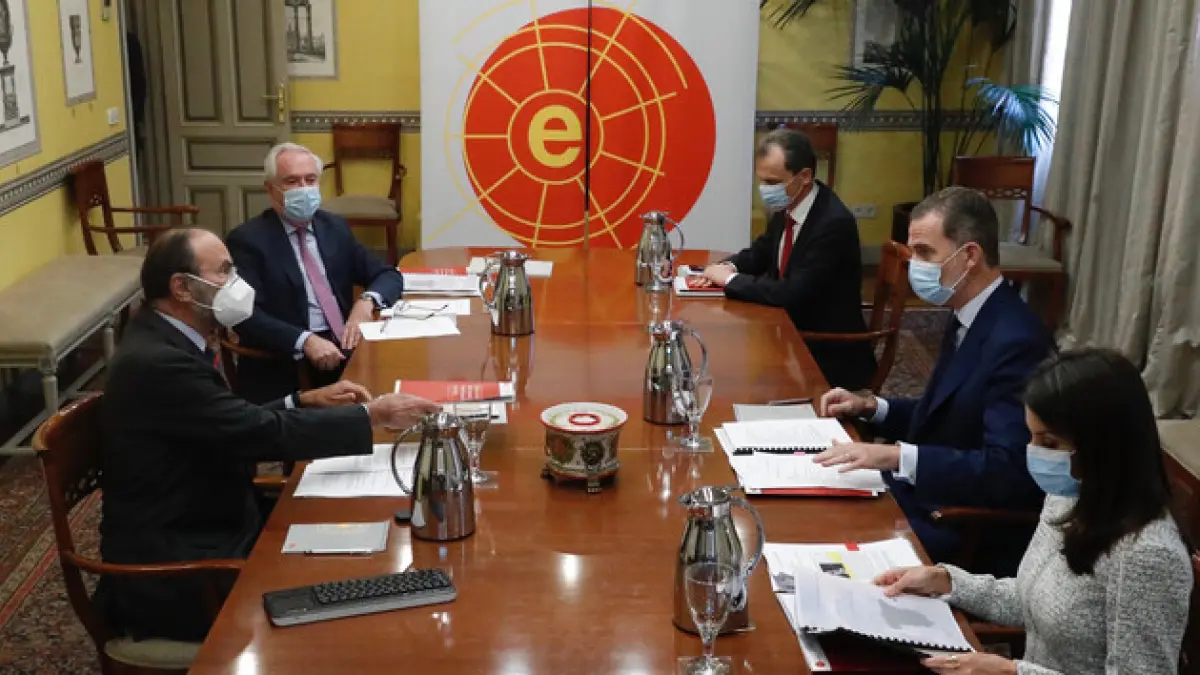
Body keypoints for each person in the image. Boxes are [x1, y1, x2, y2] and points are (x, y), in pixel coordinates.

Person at [97, 228, 439, 642]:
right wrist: (372, 415)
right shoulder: (157, 362)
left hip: (219, 516)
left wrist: (301, 400)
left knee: (368, 531)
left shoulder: (168, 337)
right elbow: (253, 434)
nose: (237, 283)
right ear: (182, 288)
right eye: (224, 271)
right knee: (362, 598)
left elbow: (226, 423)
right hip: (184, 568)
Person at [873, 349, 1192, 675]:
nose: (1033, 453)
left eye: (1049, 444)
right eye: (1031, 437)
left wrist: (1012, 673)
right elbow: (1035, 600)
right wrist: (949, 582)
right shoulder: (1068, 495)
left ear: (1101, 446)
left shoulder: (1148, 555)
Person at [816, 187, 1053, 575]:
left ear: (970, 255)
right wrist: (873, 407)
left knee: (822, 535)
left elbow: (1008, 471)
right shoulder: (966, 314)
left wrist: (898, 456)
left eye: (926, 253)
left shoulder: (1017, 341)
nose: (915, 266)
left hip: (958, 523)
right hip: (929, 493)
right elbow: (950, 414)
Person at [226, 142, 405, 403]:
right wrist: (305, 341)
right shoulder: (248, 240)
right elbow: (245, 315)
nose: (303, 189)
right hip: (287, 361)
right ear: (270, 189)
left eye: (310, 180)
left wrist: (366, 303)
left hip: (345, 346)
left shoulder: (334, 227)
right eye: (292, 181)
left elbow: (388, 275)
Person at [697, 128, 875, 390]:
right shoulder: (790, 204)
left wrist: (730, 280)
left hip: (824, 351)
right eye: (762, 182)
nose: (766, 191)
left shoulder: (833, 223)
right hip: (787, 329)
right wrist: (727, 266)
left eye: (773, 182)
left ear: (804, 176)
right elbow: (762, 250)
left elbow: (791, 293)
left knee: (730, 380)